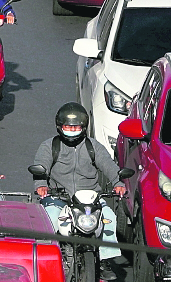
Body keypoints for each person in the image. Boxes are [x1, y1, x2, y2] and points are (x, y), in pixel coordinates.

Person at [30, 103, 126, 280]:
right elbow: (40, 166)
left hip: (90, 199)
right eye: (68, 127)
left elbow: (109, 165)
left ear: (83, 127)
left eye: (76, 127)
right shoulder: (49, 146)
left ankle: (104, 260)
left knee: (109, 218)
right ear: (60, 126)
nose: (72, 130)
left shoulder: (93, 146)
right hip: (58, 198)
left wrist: (118, 182)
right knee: (49, 221)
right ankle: (49, 260)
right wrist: (41, 185)